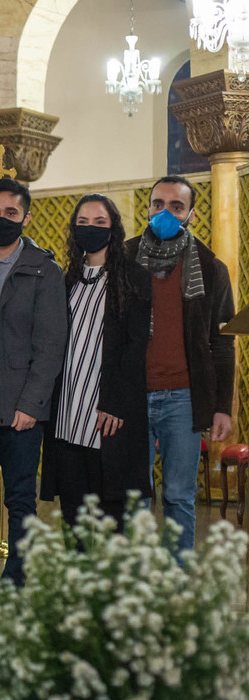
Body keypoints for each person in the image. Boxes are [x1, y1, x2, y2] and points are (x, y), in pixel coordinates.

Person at [0, 178, 67, 586]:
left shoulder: (44, 270)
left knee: (20, 499)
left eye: (10, 213)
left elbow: (51, 345)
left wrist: (32, 403)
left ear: (26, 216)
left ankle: (17, 578)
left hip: (19, 409)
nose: (0, 219)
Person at [127, 175, 234, 554]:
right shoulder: (124, 259)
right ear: (148, 208)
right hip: (132, 396)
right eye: (159, 204)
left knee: (179, 497)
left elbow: (222, 343)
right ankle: (135, 589)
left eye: (176, 207)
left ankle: (176, 587)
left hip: (184, 398)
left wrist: (222, 407)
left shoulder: (210, 267)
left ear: (191, 214)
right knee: (134, 498)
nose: (166, 213)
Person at [41, 194, 151, 526]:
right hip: (67, 414)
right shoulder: (67, 280)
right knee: (73, 518)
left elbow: (136, 348)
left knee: (110, 518)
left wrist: (116, 403)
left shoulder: (133, 278)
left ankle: (110, 578)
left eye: (100, 222)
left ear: (113, 229)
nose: (91, 229)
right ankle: (76, 577)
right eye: (83, 223)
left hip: (106, 416)